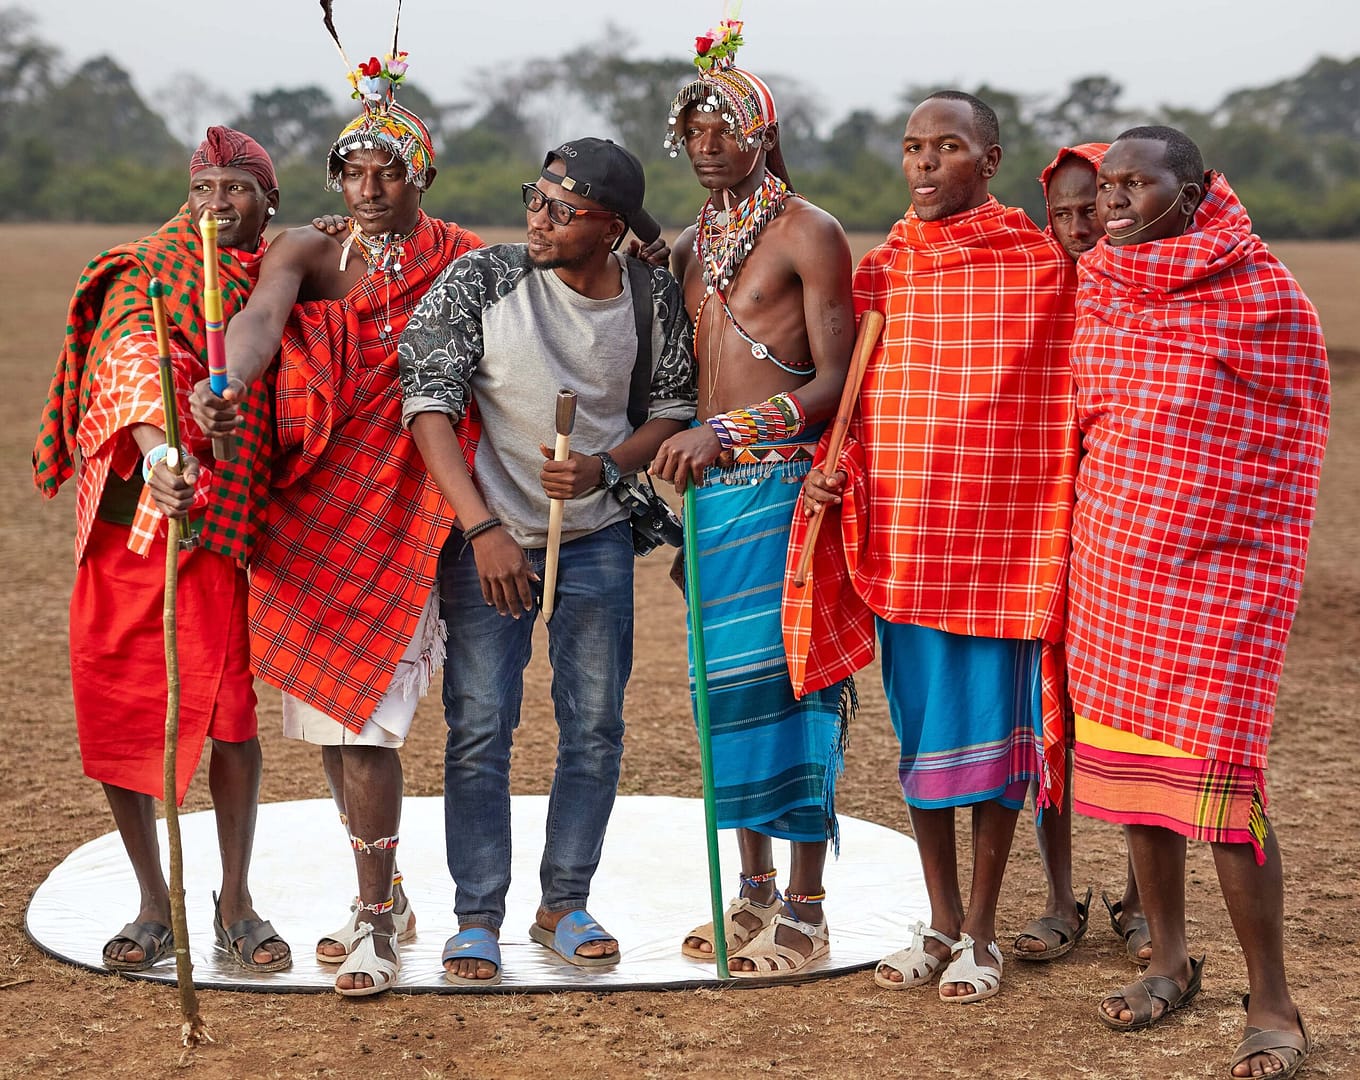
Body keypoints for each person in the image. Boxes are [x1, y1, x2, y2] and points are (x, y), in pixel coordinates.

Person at [190, 53, 483, 996]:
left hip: (405, 518)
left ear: (421, 176)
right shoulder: (311, 255)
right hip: (311, 518)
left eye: (388, 171)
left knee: (369, 728)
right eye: (353, 172)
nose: (367, 188)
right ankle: (384, 888)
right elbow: (260, 319)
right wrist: (227, 382)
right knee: (332, 716)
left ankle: (370, 919)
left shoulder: (465, 260)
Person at [795, 91, 1079, 1003]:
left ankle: (985, 935)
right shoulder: (885, 272)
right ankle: (940, 922)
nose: (924, 164)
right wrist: (833, 465)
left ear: (988, 162)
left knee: (995, 750)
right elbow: (858, 402)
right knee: (923, 746)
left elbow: (1069, 390)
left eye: (947, 148)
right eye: (913, 146)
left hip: (1003, 547)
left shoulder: (1042, 267)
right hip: (910, 546)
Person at [397, 137, 695, 985]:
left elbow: (672, 407)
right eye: (537, 197)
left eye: (565, 210)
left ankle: (564, 903)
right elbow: (427, 405)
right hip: (487, 534)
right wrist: (483, 529)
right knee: (481, 726)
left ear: (609, 228)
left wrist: (607, 466)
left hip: (594, 532)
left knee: (594, 725)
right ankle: (476, 916)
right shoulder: (485, 279)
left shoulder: (648, 294)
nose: (540, 216)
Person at [1069, 126, 1327, 1079]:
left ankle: (1273, 996)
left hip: (1222, 576)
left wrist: (1217, 520)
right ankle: (1170, 959)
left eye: (1140, 182)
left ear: (1197, 187)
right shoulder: (1101, 282)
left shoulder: (1261, 295)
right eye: (1109, 184)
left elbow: (1290, 440)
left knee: (1223, 785)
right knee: (1138, 776)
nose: (1118, 199)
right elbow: (1088, 422)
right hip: (1116, 566)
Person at [32, 127, 290, 974]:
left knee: (229, 716)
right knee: (123, 708)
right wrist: (161, 452)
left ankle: (237, 900)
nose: (219, 204)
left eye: (238, 189)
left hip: (219, 535)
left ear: (267, 199)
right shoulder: (146, 272)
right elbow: (128, 367)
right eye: (206, 186)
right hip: (128, 530)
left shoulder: (280, 278)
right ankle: (153, 900)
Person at [647, 16, 855, 977]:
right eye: (693, 131)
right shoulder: (692, 246)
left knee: (797, 686)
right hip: (710, 503)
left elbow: (831, 385)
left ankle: (807, 907)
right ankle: (755, 890)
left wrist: (730, 430)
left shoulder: (809, 232)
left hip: (783, 490)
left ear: (762, 135)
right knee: (722, 694)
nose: (705, 145)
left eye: (723, 128)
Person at [1012, 141, 1148, 967]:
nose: (1072, 227)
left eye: (1086, 208)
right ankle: (1061, 897)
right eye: (1056, 213)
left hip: (1127, 531)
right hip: (1041, 529)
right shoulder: (1035, 290)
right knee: (1044, 716)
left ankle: (1142, 897)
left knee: (1135, 714)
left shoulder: (1157, 295)